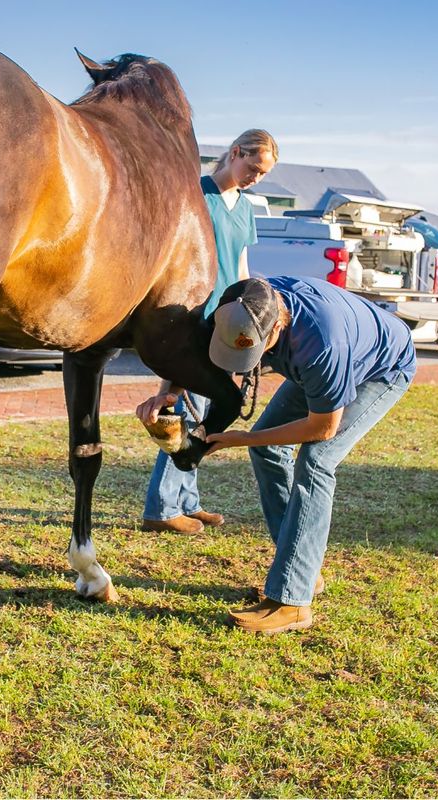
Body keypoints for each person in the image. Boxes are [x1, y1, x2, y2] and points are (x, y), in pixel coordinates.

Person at [137, 276, 416, 633]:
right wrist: (168, 394)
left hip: (380, 368)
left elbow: (322, 428)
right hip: (322, 365)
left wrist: (243, 439)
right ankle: (302, 571)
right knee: (270, 447)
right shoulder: (237, 306)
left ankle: (293, 602)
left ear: (277, 328)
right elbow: (193, 362)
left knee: (317, 462)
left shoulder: (321, 345)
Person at [142, 129, 278, 534]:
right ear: (235, 153)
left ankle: (188, 501)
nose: (256, 177)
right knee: (190, 409)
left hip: (227, 319)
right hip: (193, 313)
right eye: (252, 167)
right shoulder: (196, 192)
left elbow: (240, 265)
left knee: (207, 410)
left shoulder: (247, 207)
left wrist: (252, 318)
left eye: (263, 174)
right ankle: (162, 509)